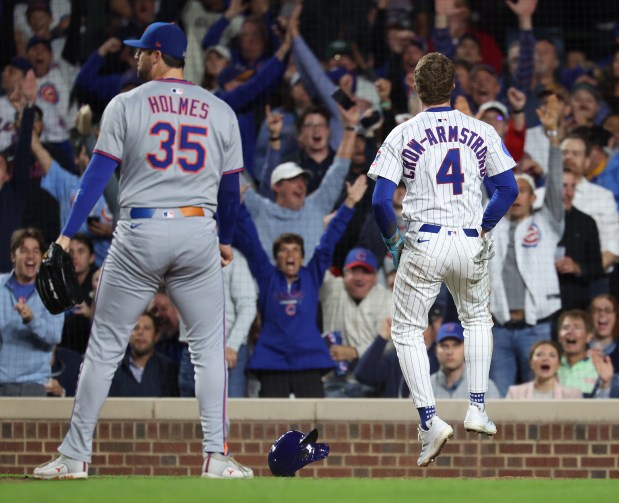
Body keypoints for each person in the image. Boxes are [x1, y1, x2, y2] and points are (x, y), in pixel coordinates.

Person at [32, 22, 253, 480]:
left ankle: (74, 456)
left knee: (104, 348)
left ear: (156, 55)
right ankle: (216, 456)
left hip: (140, 231)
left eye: (139, 52)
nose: (134, 58)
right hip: (197, 230)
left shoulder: (127, 103)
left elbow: (96, 177)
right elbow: (231, 192)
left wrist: (67, 236)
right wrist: (225, 240)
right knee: (209, 351)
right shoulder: (219, 110)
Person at [368, 52, 518, 467]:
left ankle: (431, 421)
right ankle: (477, 407)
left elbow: (381, 201)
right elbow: (509, 190)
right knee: (477, 321)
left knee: (407, 331)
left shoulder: (403, 132)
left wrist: (393, 243)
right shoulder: (481, 129)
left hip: (425, 241)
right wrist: (484, 227)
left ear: (416, 88)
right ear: (453, 87)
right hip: (470, 240)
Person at [233, 175, 367, 398]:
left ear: (303, 257)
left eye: (295, 250)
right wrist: (238, 206)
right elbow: (252, 241)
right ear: (276, 259)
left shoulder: (311, 275)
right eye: (284, 250)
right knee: (274, 426)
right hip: (272, 361)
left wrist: (350, 203)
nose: (290, 255)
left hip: (308, 359)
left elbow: (329, 240)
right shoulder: (267, 277)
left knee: (312, 427)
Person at [488, 95, 565, 398]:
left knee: (543, 400)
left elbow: (556, 187)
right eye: (511, 191)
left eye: (524, 191)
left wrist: (554, 138)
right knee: (501, 405)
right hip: (500, 330)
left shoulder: (548, 223)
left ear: (535, 199)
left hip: (538, 328)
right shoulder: (489, 226)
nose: (517, 196)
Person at [319, 247, 393, 397]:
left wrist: (355, 351)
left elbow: (391, 345)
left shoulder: (387, 299)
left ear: (375, 276)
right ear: (344, 274)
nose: (359, 278)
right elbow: (315, 267)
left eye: (366, 271)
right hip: (332, 382)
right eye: (354, 271)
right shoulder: (332, 288)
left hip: (369, 384)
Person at [0, 227, 64, 396]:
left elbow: (55, 335)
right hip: (2, 383)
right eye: (24, 251)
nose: (31, 256)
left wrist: (32, 320)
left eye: (36, 251)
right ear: (13, 256)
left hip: (35, 384)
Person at [556, 170, 603, 311]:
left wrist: (578, 268)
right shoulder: (537, 220)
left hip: (575, 302)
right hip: (541, 307)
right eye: (564, 186)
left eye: (572, 187)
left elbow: (597, 268)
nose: (569, 193)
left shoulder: (586, 223)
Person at [109, 313, 179, 397]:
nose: (140, 332)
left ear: (156, 336)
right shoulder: (114, 368)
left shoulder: (168, 368)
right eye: (136, 328)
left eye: (146, 328)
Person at [556, 309, 614, 398]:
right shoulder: (550, 365)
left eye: (577, 328)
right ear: (559, 337)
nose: (570, 332)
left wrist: (605, 383)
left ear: (588, 337)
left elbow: (602, 408)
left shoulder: (598, 367)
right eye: (565, 328)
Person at [505, 340, 582, 399]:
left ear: (559, 364)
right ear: (531, 363)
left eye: (552, 355)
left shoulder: (573, 396)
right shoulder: (515, 394)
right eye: (539, 355)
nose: (545, 359)